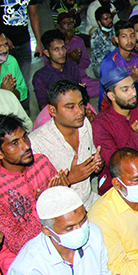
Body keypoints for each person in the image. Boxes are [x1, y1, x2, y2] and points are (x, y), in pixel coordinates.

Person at [5, 186, 130, 275]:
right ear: (47, 231)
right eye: (69, 228)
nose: (80, 230)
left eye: (82, 221)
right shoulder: (26, 271)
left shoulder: (94, 233)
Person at [0, 114, 69, 275]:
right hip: (29, 255)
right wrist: (43, 204)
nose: (25, 146)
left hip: (61, 237)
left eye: (24, 138)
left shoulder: (41, 162)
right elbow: (17, 244)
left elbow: (65, 209)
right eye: (14, 143)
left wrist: (63, 193)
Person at [29, 80, 102, 209]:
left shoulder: (84, 124)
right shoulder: (36, 143)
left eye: (81, 104)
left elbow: (92, 161)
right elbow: (33, 197)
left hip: (88, 199)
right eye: (70, 107)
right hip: (62, 211)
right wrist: (70, 179)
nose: (79, 112)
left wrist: (96, 164)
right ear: (52, 110)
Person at [93, 66, 138, 194]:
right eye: (125, 90)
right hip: (118, 187)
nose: (133, 93)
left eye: (133, 87)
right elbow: (119, 167)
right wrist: (137, 135)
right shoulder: (100, 124)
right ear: (111, 96)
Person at [98, 20, 138, 110]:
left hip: (131, 101)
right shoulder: (110, 62)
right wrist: (133, 79)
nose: (129, 40)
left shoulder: (137, 58)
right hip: (112, 107)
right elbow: (110, 94)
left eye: (132, 36)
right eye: (124, 36)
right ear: (116, 39)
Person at [33, 29, 81, 110]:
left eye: (63, 48)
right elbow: (43, 106)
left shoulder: (72, 65)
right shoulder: (40, 76)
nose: (61, 52)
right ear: (47, 53)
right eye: (56, 49)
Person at [57, 12, 99, 97]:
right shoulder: (55, 43)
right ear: (58, 26)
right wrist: (68, 59)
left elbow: (86, 63)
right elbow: (50, 67)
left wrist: (77, 60)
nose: (69, 26)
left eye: (71, 23)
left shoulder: (78, 40)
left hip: (80, 78)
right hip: (62, 80)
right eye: (65, 23)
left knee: (103, 86)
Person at [0, 28, 27, 102]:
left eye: (5, 44)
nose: (4, 50)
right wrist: (2, 92)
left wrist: (11, 91)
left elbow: (23, 91)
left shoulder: (10, 61)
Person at [89, 7, 116, 77]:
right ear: (98, 22)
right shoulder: (95, 38)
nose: (109, 20)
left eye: (110, 17)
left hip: (117, 59)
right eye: (105, 19)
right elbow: (102, 60)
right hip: (102, 63)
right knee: (101, 70)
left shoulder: (115, 29)